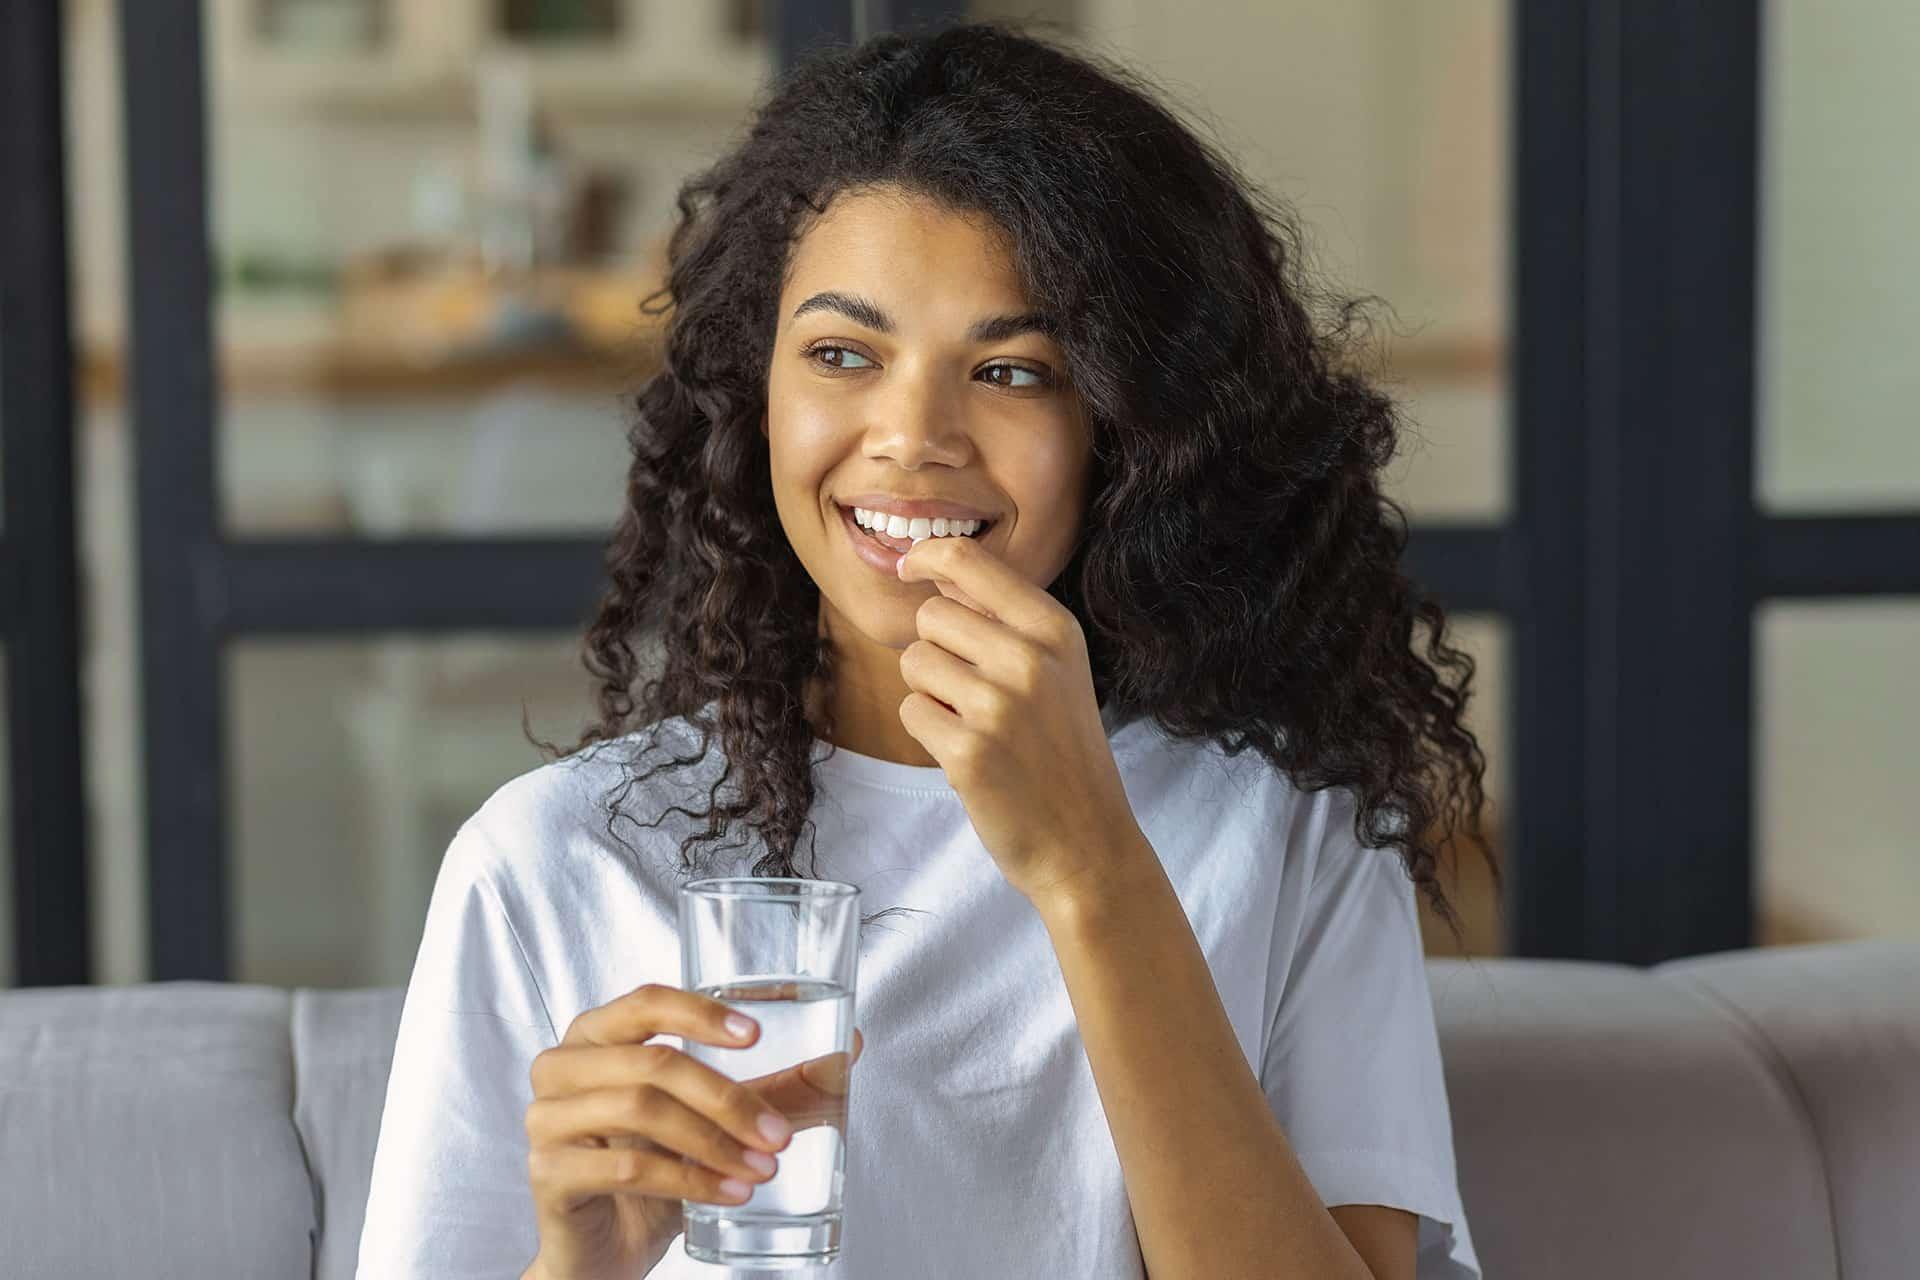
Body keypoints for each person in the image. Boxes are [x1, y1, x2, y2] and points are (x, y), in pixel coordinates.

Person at [356, 18, 1495, 1280]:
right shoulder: (551, 864)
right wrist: (581, 1266)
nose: (912, 436)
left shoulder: (1287, 832)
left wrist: (1091, 868)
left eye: (1012, 371)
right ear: (758, 392)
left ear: (1135, 425)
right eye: (843, 354)